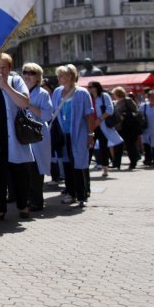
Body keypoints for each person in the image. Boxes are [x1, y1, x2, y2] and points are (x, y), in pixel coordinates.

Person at [0, 53, 33, 221]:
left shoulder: (16, 81)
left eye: (4, 67)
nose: (0, 71)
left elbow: (24, 102)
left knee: (19, 173)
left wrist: (5, 86)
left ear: (10, 69)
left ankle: (23, 205)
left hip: (14, 137)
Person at [52, 64, 94, 208]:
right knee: (67, 164)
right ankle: (70, 193)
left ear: (70, 76)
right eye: (58, 76)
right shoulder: (57, 92)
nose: (59, 78)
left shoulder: (82, 93)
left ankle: (82, 195)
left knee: (79, 164)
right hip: (63, 135)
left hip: (79, 134)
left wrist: (90, 133)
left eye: (61, 75)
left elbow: (89, 115)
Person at [21, 62, 52, 211]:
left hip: (37, 136)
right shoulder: (18, 90)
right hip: (22, 136)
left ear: (38, 77)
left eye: (31, 73)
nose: (27, 75)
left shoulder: (42, 94)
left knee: (36, 170)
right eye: (25, 72)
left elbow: (47, 115)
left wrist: (28, 105)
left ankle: (37, 201)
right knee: (24, 170)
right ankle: (25, 199)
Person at [87, 81, 123, 177]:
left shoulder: (104, 96)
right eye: (88, 87)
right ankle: (85, 167)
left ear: (97, 87)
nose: (89, 88)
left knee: (103, 147)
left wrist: (100, 119)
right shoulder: (88, 97)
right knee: (89, 147)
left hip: (102, 125)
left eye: (91, 87)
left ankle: (105, 168)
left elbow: (110, 110)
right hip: (91, 126)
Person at [112, 87, 141, 170]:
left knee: (130, 145)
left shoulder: (127, 100)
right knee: (118, 145)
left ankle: (133, 162)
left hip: (128, 126)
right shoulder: (115, 103)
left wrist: (124, 115)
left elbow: (135, 111)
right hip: (119, 127)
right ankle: (116, 164)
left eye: (114, 94)